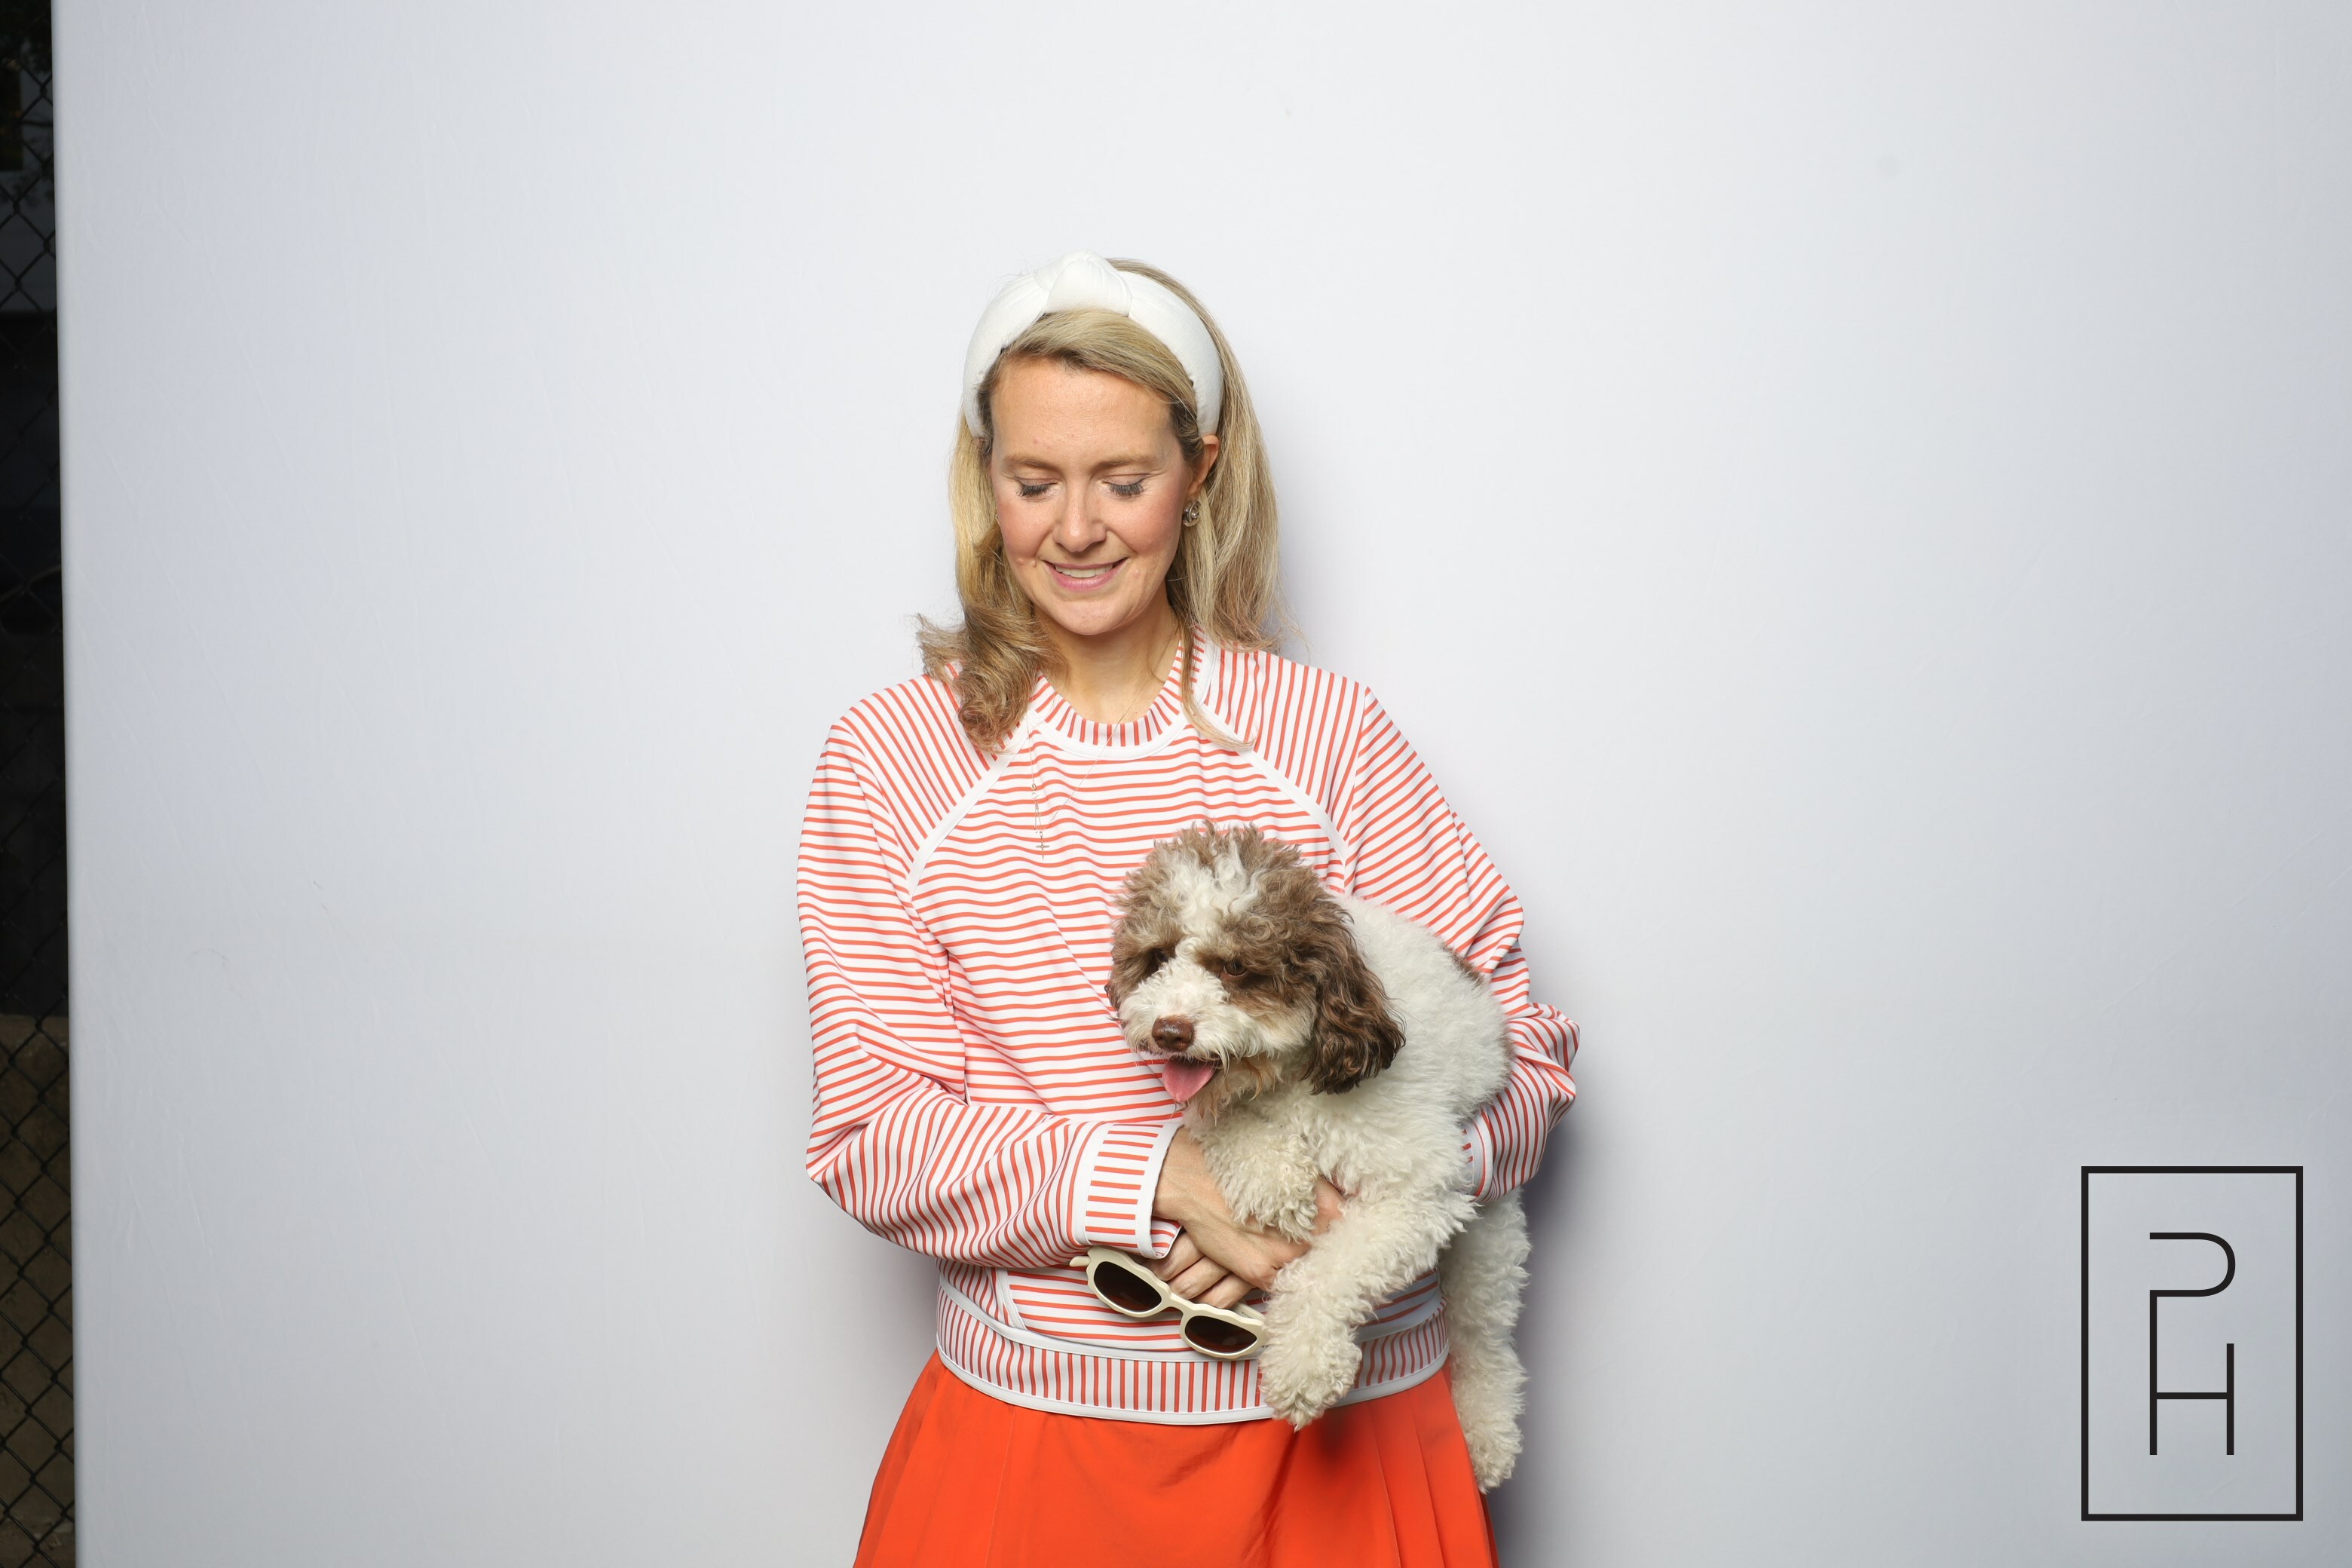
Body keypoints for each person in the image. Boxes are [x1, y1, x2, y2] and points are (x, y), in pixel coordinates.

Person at [796, 251, 1578, 1567]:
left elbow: (1531, 1062)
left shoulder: (1328, 736)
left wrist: (1350, 1198)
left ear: (1201, 470)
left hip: (1353, 1443)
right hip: (1039, 1450)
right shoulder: (892, 763)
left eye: (1124, 480)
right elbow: (873, 1136)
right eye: (1032, 481)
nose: (1075, 529)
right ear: (985, 477)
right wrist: (1165, 1182)